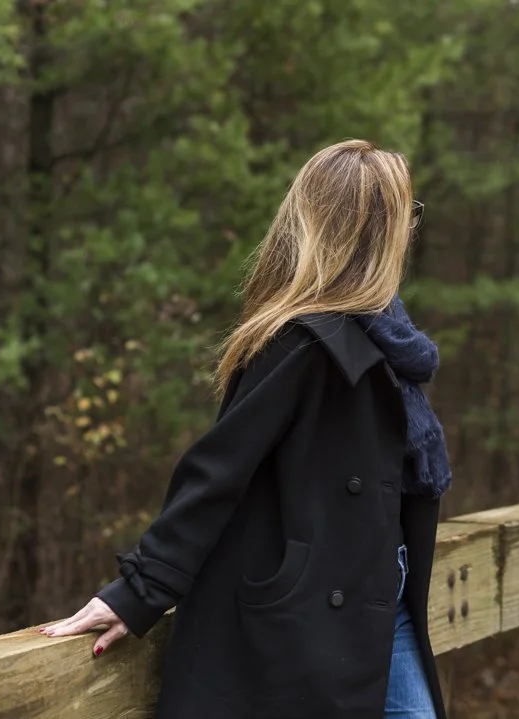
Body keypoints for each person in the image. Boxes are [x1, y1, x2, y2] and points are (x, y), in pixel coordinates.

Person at [41, 140, 450, 719]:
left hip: (390, 595)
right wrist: (138, 591)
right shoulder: (299, 342)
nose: (411, 230)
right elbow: (216, 474)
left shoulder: (392, 343)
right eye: (407, 213)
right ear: (373, 230)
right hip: (317, 615)